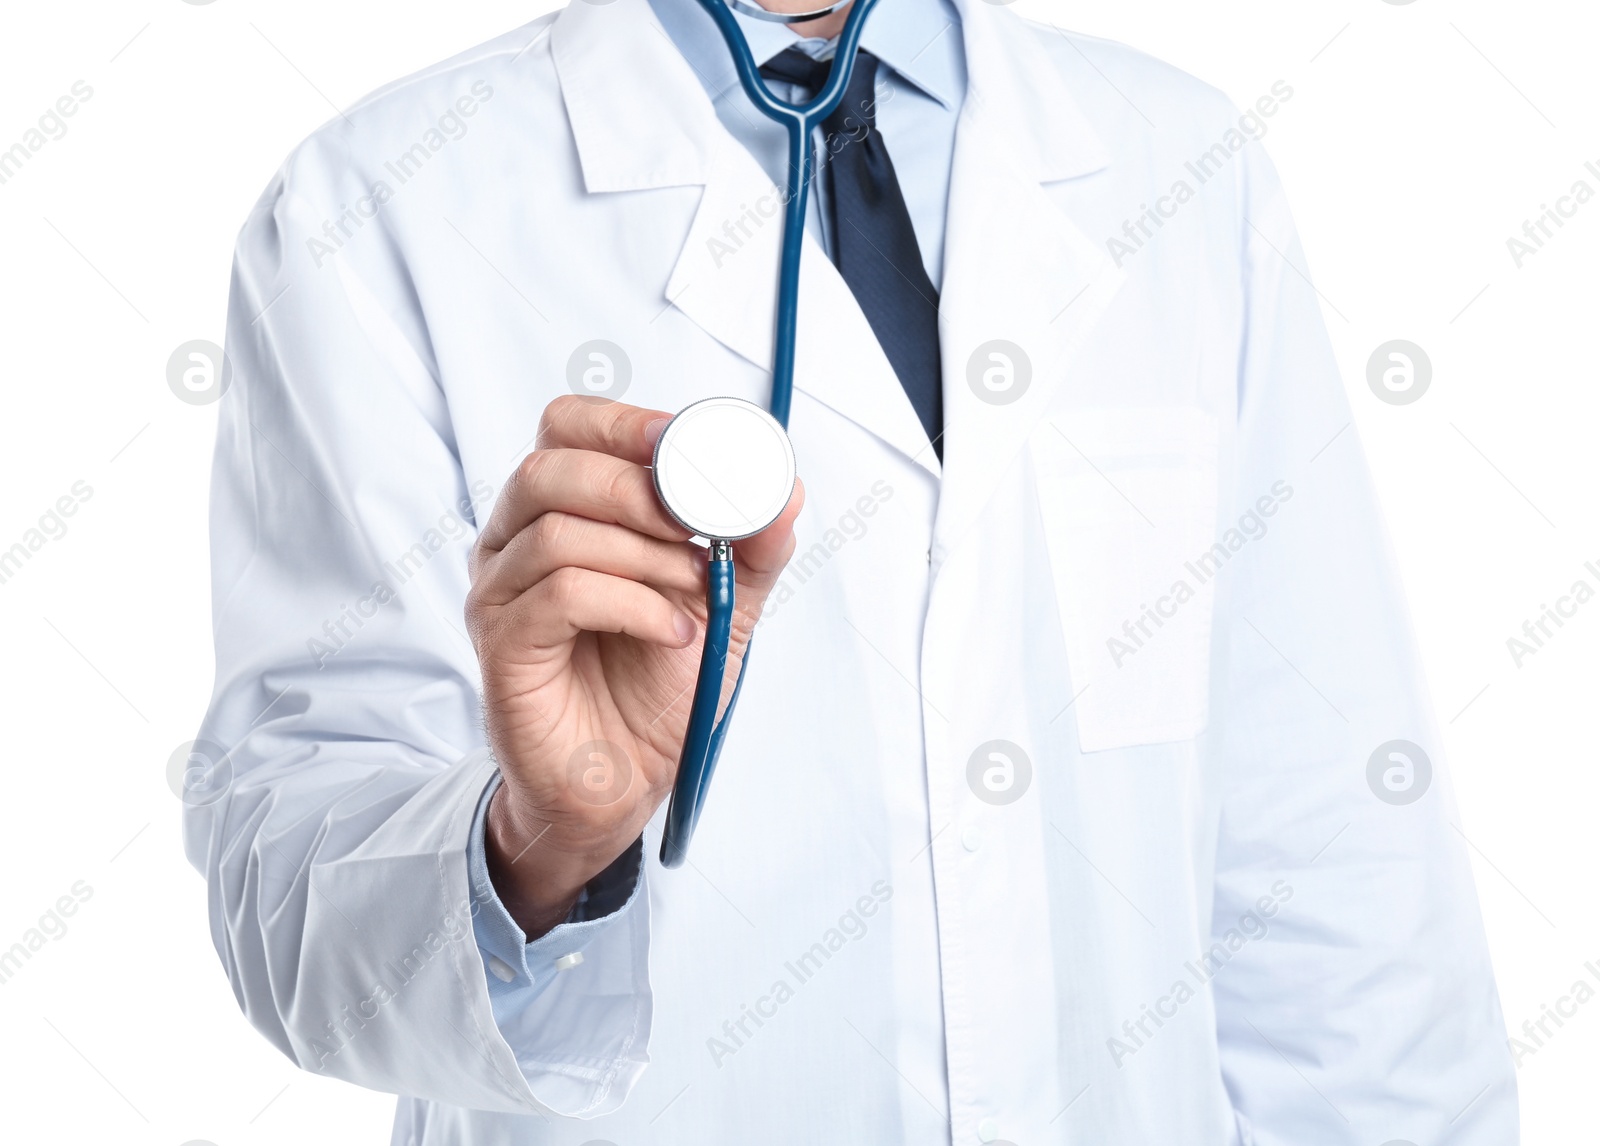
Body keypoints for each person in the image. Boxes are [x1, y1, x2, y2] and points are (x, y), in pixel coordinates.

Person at [185, 0, 1518, 1141]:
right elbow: (291, 919)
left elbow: (1336, 865)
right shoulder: (378, 209)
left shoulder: (1179, 168)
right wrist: (548, 839)